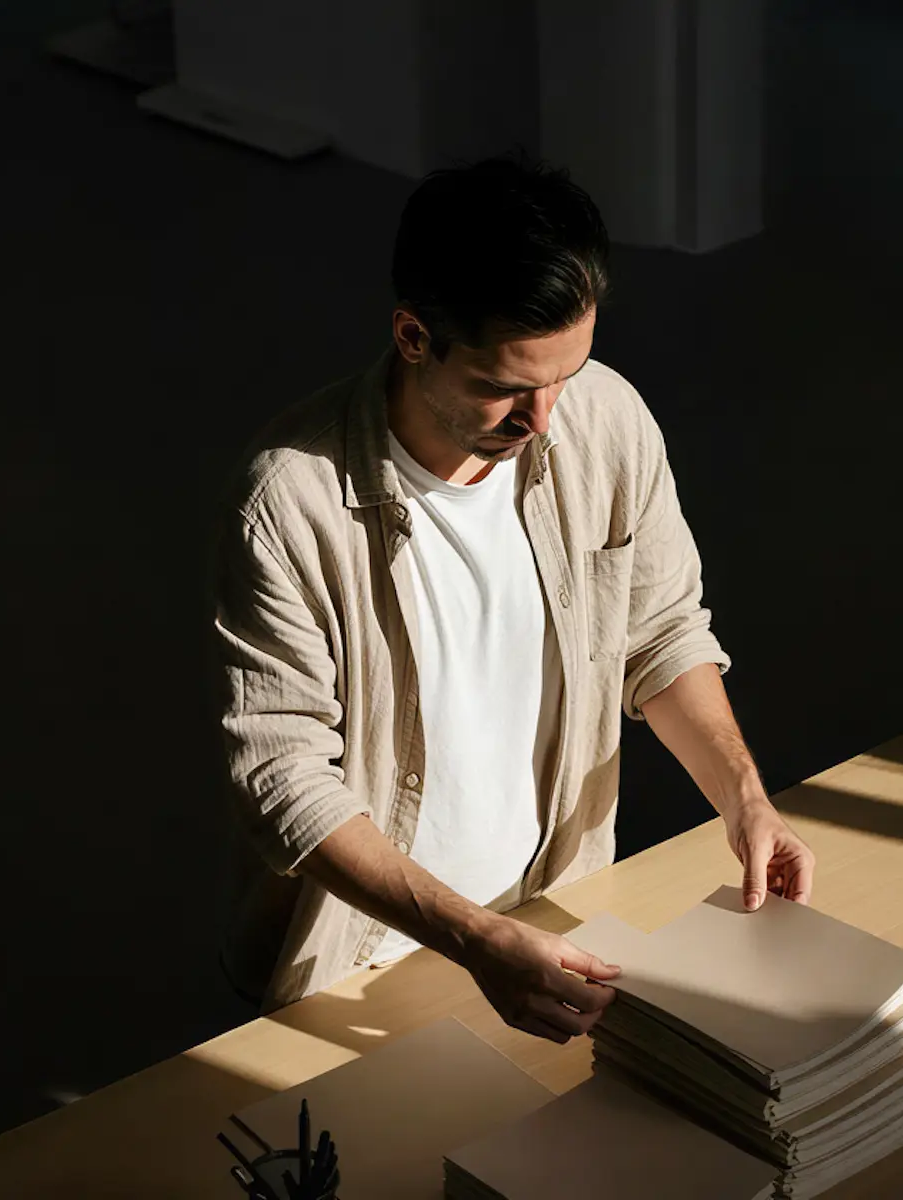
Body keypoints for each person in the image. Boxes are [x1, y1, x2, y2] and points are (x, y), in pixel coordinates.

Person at [210, 153, 816, 1042]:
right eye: (504, 388)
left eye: (566, 374)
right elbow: (282, 777)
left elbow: (662, 634)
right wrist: (475, 938)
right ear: (413, 336)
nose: (543, 419)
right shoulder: (288, 503)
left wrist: (745, 798)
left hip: (560, 915)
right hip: (370, 953)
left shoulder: (606, 419)